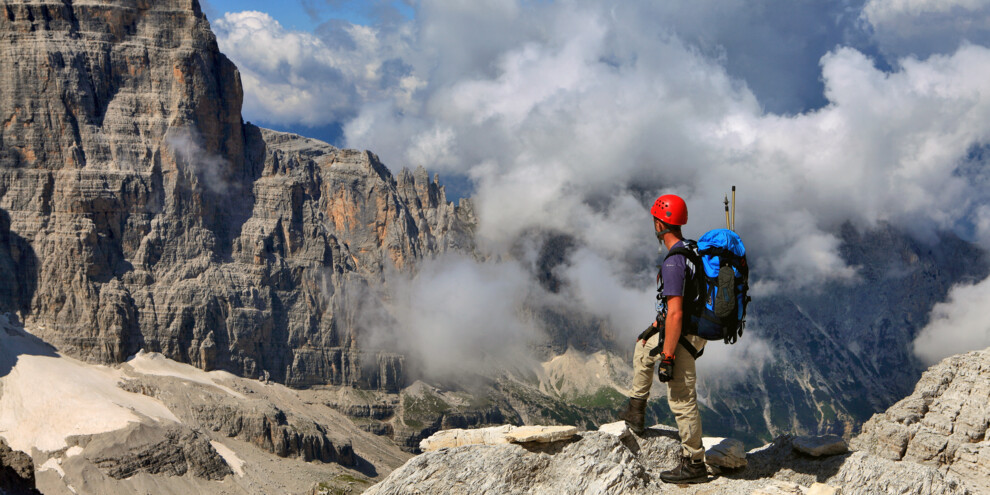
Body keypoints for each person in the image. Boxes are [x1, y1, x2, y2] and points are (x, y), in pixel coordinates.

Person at [618, 193, 708, 484]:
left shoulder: (673, 263)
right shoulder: (691, 250)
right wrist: (657, 327)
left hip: (682, 333)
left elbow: (676, 314)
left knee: (681, 396)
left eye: (654, 221)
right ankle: (636, 411)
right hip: (689, 329)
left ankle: (694, 463)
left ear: (660, 224)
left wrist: (668, 357)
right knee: (643, 348)